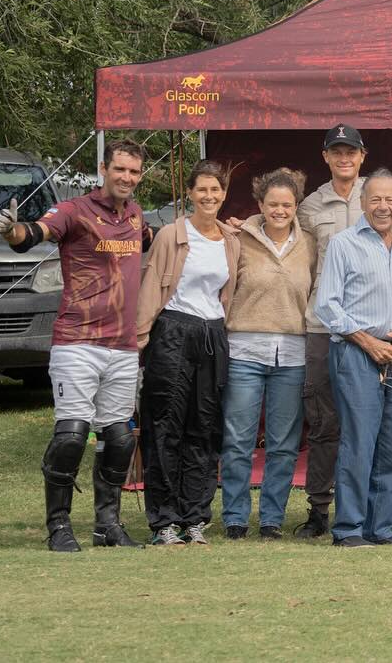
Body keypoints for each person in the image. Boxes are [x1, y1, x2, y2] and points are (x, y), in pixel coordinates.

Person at [0, 139, 153, 551]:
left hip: (122, 345)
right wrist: (12, 231)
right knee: (71, 435)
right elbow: (35, 233)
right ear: (104, 168)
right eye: (120, 169)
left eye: (134, 172)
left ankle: (107, 527)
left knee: (118, 437)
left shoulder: (135, 215)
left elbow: (153, 239)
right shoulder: (74, 210)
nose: (127, 178)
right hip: (77, 341)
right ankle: (59, 528)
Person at [295, 123, 392, 539]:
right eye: (376, 200)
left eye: (390, 199)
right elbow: (328, 305)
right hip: (355, 349)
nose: (383, 206)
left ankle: (380, 527)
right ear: (363, 203)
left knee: (390, 444)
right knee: (358, 440)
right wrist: (367, 341)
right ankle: (348, 527)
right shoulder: (346, 243)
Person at [137, 160, 240, 545]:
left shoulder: (231, 239)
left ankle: (195, 517)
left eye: (216, 190)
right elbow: (150, 290)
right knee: (165, 426)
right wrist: (141, 336)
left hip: (213, 334)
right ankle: (164, 521)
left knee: (204, 429)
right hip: (173, 332)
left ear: (224, 194)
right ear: (190, 194)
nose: (209, 197)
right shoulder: (171, 235)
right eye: (202, 190)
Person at [220, 168, 315, 541]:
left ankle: (272, 518)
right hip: (244, 349)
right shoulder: (238, 238)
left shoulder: (310, 243)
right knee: (238, 440)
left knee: (283, 443)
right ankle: (235, 517)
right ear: (260, 204)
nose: (280, 210)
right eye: (273, 204)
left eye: (287, 205)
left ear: (296, 207)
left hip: (292, 352)